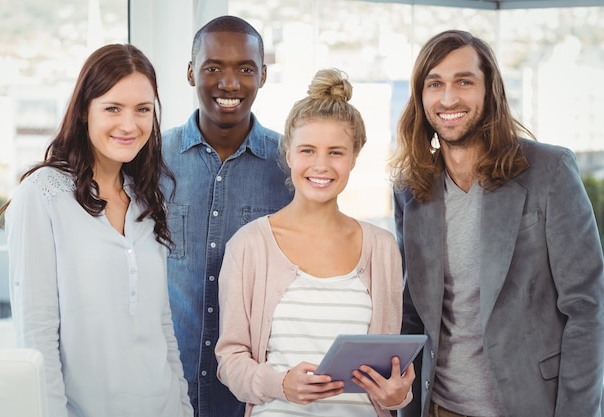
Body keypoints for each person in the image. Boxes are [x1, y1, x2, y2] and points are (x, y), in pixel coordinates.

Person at [389, 29, 604, 417]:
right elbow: (413, 312)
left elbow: (587, 309)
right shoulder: (411, 189)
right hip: (439, 408)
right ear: (421, 97)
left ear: (490, 91)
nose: (449, 98)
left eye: (464, 82)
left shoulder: (550, 171)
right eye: (434, 83)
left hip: (530, 405)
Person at [0, 44, 193, 417]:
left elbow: (161, 324)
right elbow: (37, 335)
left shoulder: (147, 199)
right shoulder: (41, 196)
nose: (129, 124)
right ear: (85, 111)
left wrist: (183, 407)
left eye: (143, 110)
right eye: (113, 108)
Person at [215, 68, 415, 417]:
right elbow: (230, 361)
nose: (321, 166)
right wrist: (282, 384)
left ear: (354, 157)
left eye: (336, 152)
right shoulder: (249, 246)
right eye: (307, 150)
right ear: (289, 154)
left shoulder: (382, 249)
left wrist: (396, 396)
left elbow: (389, 375)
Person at [160, 15, 293, 417]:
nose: (229, 83)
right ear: (190, 73)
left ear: (264, 75)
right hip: (167, 387)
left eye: (245, 69)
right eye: (213, 67)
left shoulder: (290, 164)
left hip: (256, 394)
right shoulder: (150, 160)